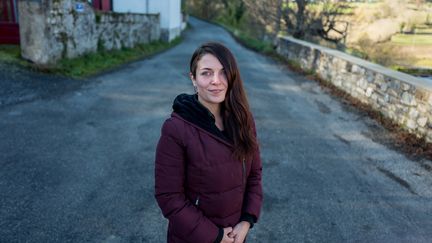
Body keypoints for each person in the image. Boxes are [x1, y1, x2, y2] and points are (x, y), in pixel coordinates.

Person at [154, 42, 263, 243]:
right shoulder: (176, 129)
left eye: (223, 72)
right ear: (193, 79)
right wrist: (216, 236)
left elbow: (254, 175)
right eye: (206, 73)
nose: (216, 81)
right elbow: (169, 197)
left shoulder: (244, 120)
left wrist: (246, 222)